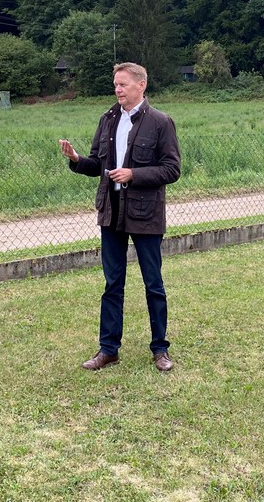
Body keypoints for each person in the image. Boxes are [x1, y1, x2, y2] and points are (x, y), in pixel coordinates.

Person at [58, 62, 181, 372]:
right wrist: (75, 159)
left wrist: (133, 174)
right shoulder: (109, 119)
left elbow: (172, 170)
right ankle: (108, 349)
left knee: (153, 283)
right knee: (112, 284)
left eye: (123, 84)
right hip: (111, 212)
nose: (117, 89)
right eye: (116, 84)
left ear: (141, 85)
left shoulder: (161, 122)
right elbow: (97, 165)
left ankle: (160, 350)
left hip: (145, 214)